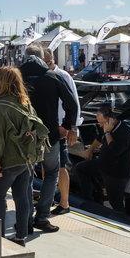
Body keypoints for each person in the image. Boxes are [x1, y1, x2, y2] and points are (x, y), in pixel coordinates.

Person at [19, 45, 78, 233]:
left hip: (24, 136)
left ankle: (25, 220)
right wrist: (66, 126)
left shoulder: (16, 76)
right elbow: (72, 104)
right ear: (42, 57)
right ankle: (42, 217)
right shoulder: (53, 77)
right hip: (49, 135)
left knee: (25, 177)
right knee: (52, 173)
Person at [0, 66, 43, 247]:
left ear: (2, 83)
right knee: (22, 197)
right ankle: (20, 237)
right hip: (26, 160)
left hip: (7, 162)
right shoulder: (26, 103)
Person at [43, 49, 83, 215]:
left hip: (60, 127)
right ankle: (48, 198)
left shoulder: (64, 76)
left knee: (60, 166)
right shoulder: (44, 76)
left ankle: (64, 202)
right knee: (47, 165)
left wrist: (72, 127)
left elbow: (74, 103)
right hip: (48, 127)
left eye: (47, 61)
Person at [74, 104, 130, 212]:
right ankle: (90, 200)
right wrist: (90, 150)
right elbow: (99, 138)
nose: (100, 125)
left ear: (110, 120)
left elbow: (115, 151)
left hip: (116, 173)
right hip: (103, 164)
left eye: (101, 122)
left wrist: (107, 133)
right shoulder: (106, 126)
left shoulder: (124, 132)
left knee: (115, 202)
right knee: (80, 168)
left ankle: (122, 219)